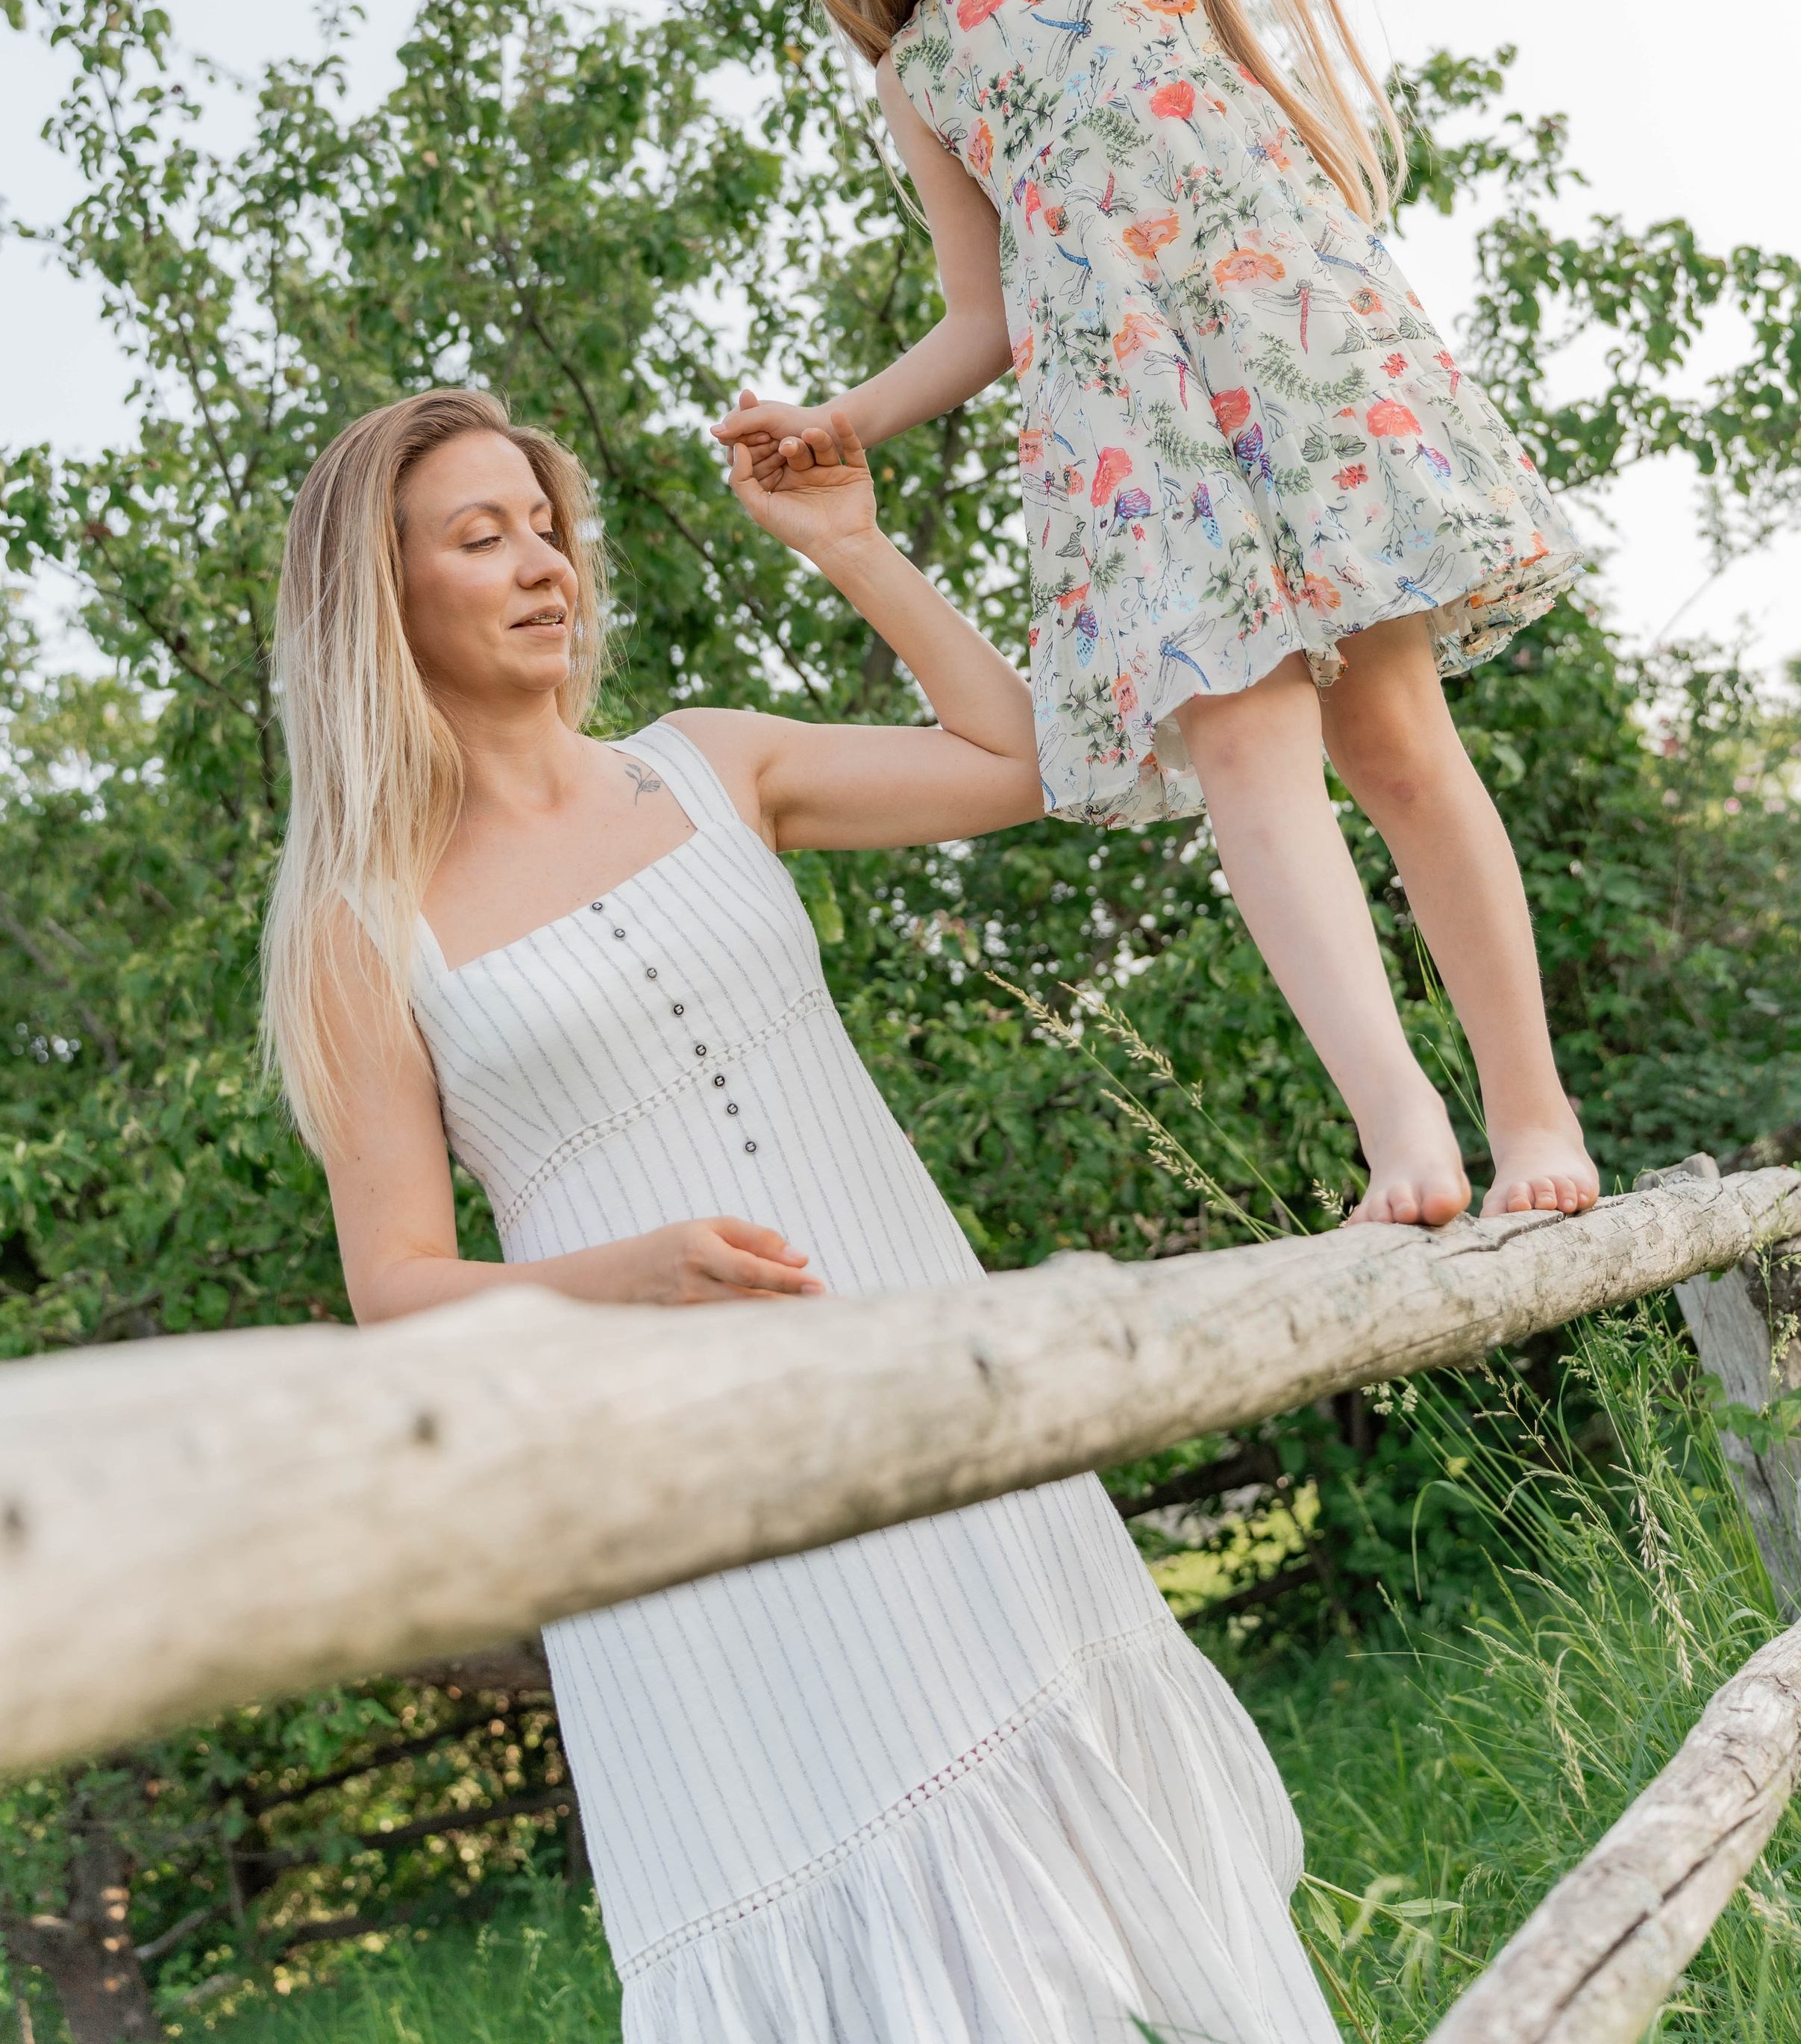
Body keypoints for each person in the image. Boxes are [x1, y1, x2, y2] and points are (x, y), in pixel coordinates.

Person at [263, 384, 1341, 2044]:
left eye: (546, 524)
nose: (542, 563)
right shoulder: (363, 925)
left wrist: (853, 548)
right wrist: (621, 1279)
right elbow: (393, 1283)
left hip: (932, 1384)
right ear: (380, 600)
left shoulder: (705, 766)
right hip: (678, 1494)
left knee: (1102, 1837)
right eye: (483, 539)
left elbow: (1028, 762)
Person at [715, 0, 1801, 1228]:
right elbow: (983, 314)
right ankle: (1401, 1139)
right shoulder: (924, 70)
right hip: (1129, 427)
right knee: (1240, 748)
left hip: (1288, 362)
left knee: (1389, 740)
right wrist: (843, 418)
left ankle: (1530, 1110)